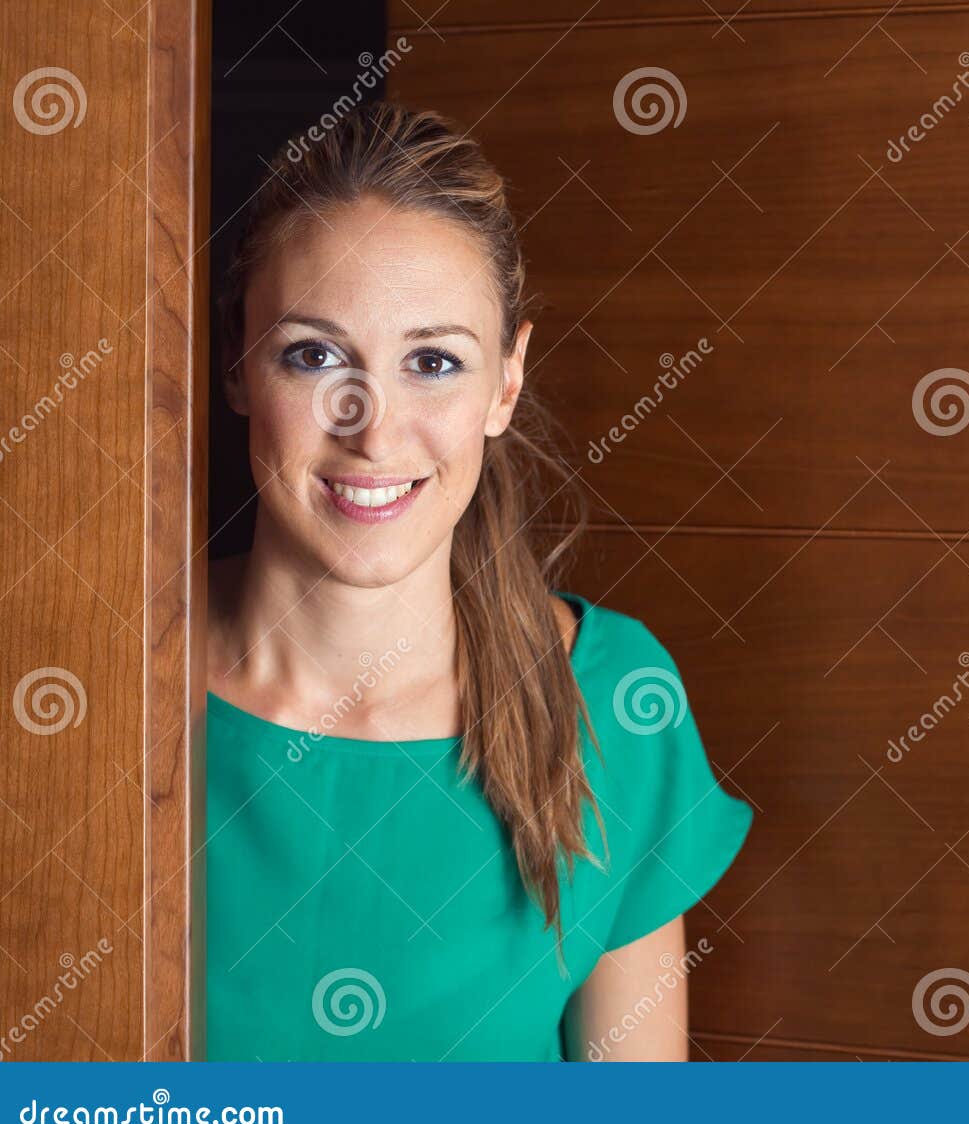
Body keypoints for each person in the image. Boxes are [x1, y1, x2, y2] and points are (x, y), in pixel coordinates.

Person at [205, 102, 753, 1061]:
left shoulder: (617, 705)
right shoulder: (85, 675)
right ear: (237, 369)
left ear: (505, 383)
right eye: (313, 355)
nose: (373, 431)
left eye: (432, 362)